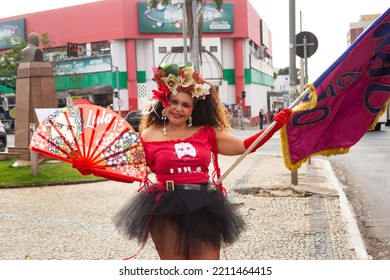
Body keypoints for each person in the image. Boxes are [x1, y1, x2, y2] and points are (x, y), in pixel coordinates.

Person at [113, 62, 292, 260]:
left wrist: (274, 127)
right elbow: (124, 167)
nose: (178, 109)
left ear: (192, 109)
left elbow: (245, 146)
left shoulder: (206, 133)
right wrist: (91, 168)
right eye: (173, 102)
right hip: (165, 207)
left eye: (185, 104)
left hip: (204, 205)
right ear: (164, 102)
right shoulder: (147, 135)